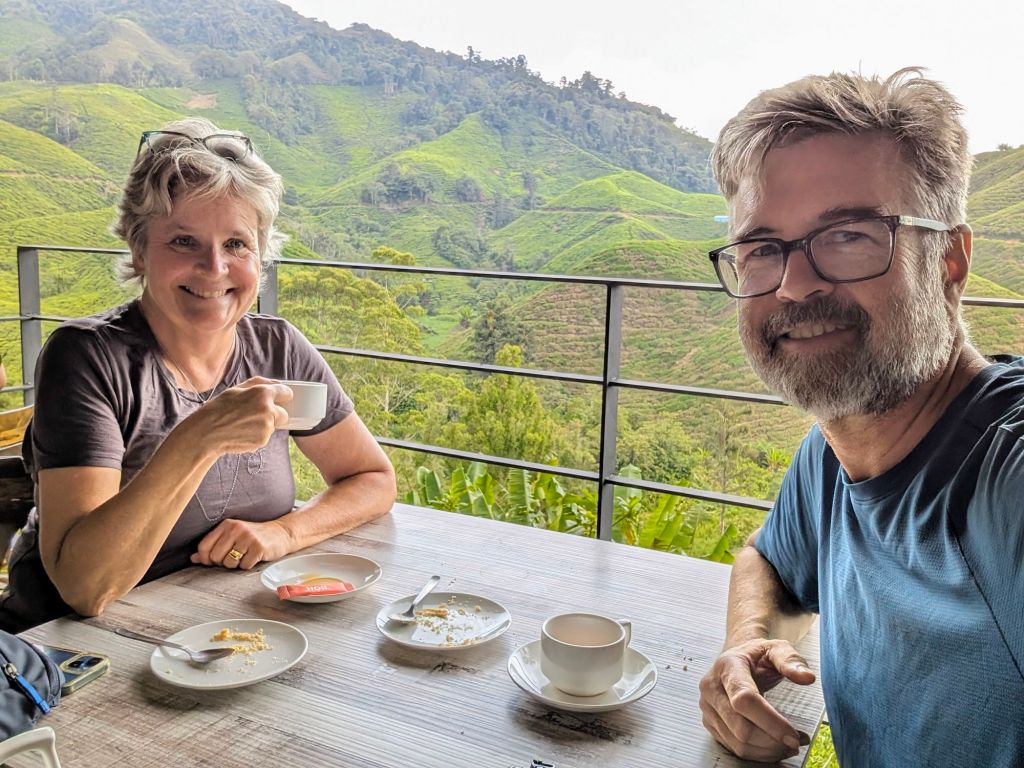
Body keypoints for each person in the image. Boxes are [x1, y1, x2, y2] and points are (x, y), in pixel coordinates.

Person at [697, 69, 1024, 766]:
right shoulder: (833, 451)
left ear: (949, 261)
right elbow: (767, 557)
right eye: (762, 249)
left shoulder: (1008, 480)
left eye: (847, 235)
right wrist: (746, 641)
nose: (795, 285)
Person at [0, 118, 396, 632]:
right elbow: (85, 587)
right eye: (184, 241)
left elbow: (371, 478)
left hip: (219, 626)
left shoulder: (278, 348)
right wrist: (198, 438)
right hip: (71, 645)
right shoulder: (88, 358)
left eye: (236, 244)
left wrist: (285, 533)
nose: (214, 267)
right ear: (139, 250)